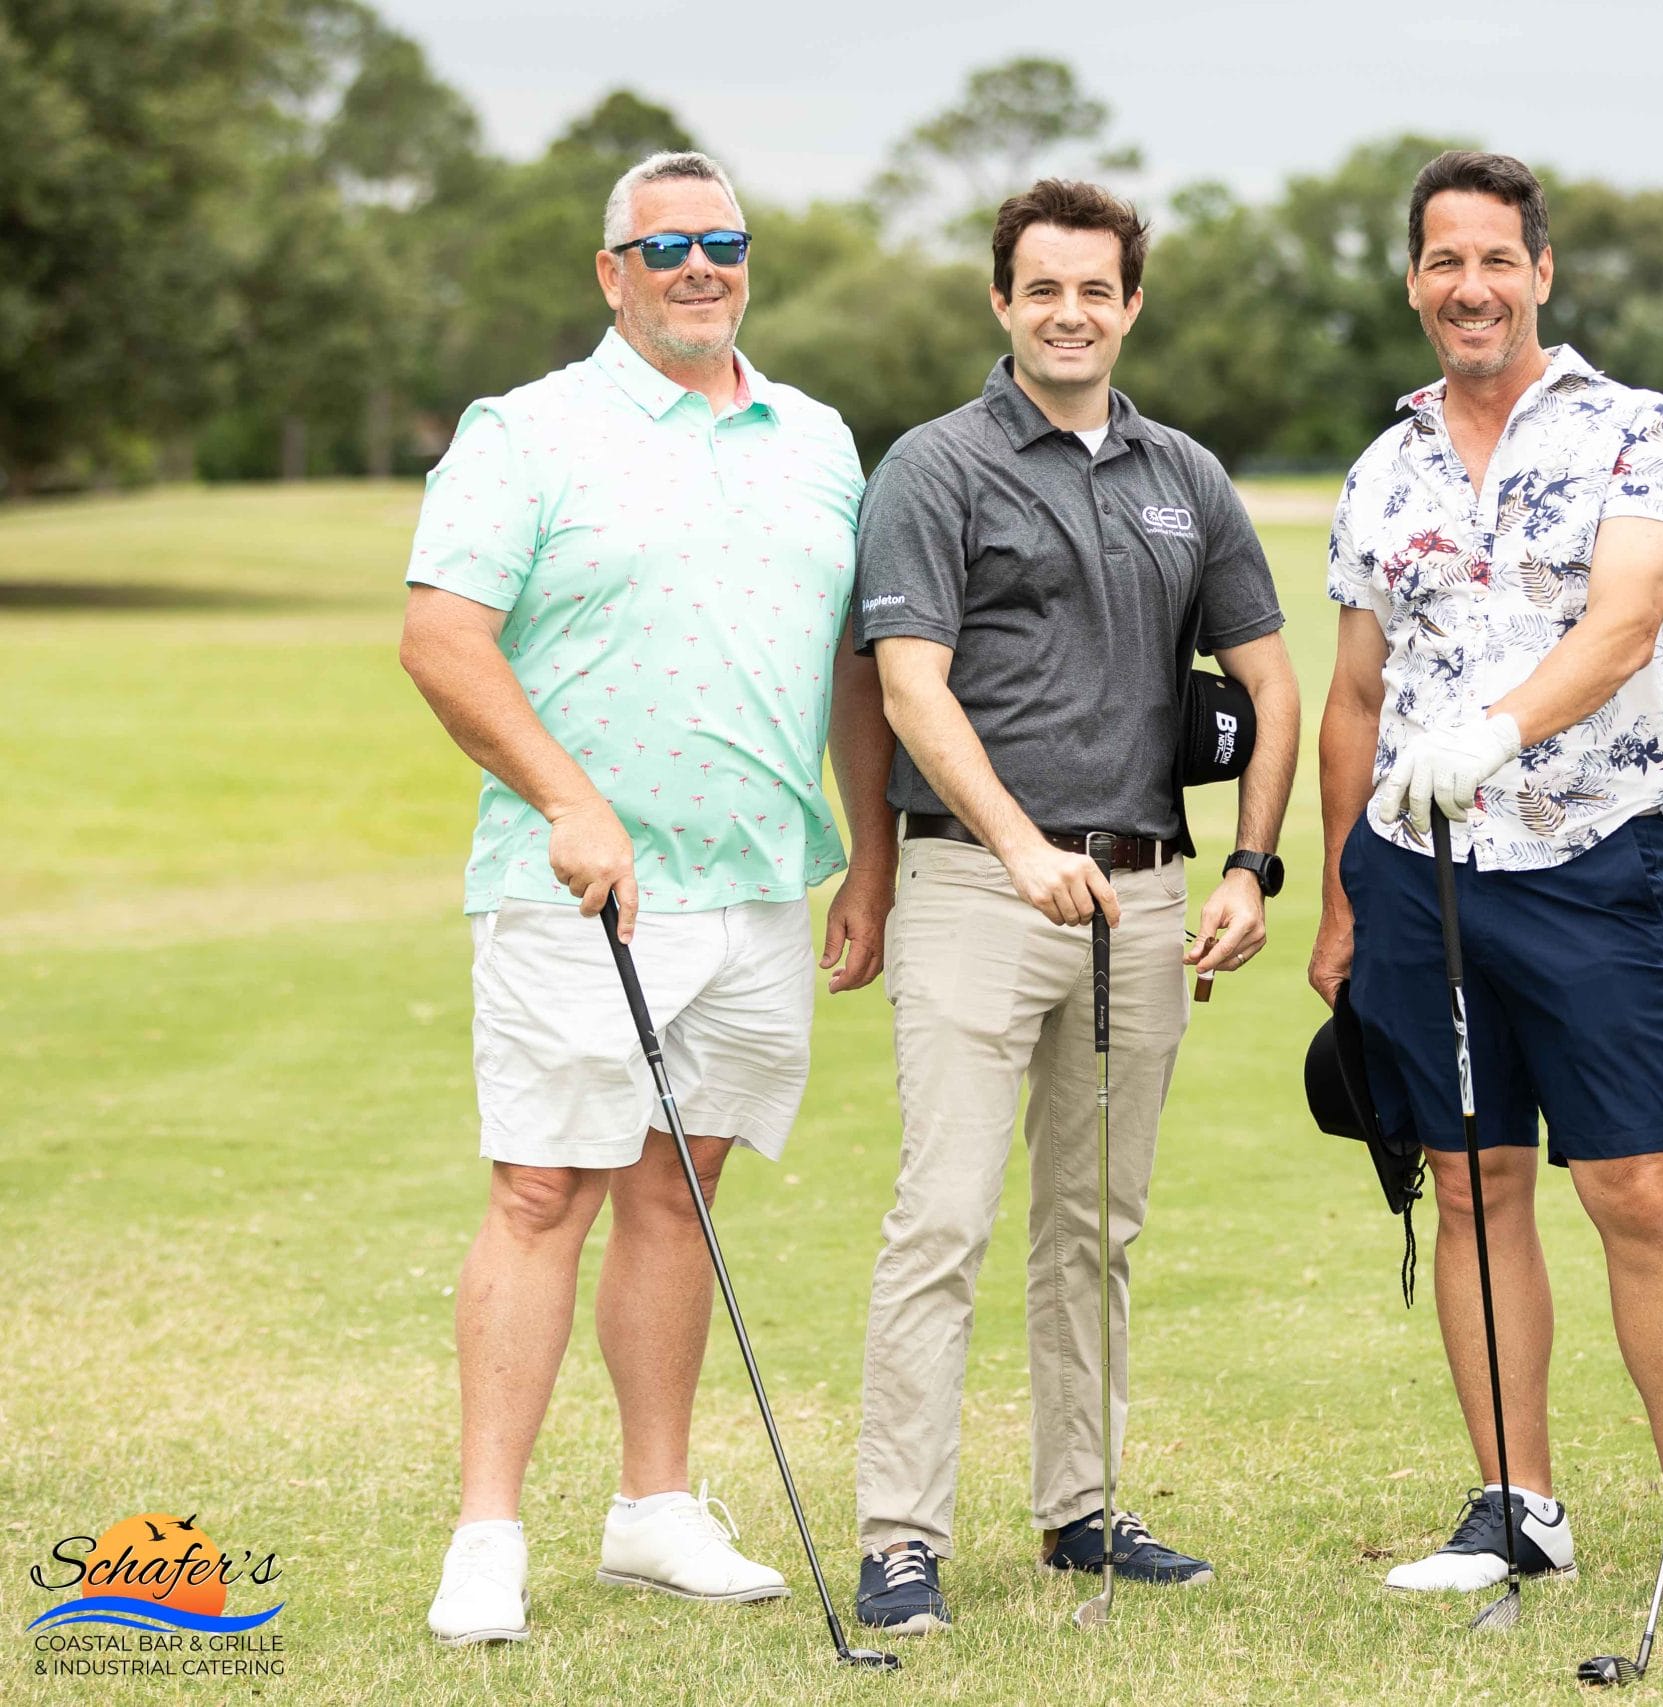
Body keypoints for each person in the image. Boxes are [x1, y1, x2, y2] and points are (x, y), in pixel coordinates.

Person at [401, 150, 887, 1646]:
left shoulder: (817, 439)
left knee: (685, 1186)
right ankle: (488, 1534)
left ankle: (653, 1510)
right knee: (542, 1188)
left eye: (720, 243)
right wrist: (569, 799)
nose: (698, 268)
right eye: (664, 246)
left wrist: (866, 852)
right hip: (583, 889)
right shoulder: (527, 431)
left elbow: (850, 665)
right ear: (612, 273)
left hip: (757, 884)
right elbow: (443, 637)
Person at [843, 178, 1299, 1635]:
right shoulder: (935, 467)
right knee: (943, 1220)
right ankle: (901, 1537)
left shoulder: (1185, 475)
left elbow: (1271, 682)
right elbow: (908, 685)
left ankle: (1083, 1509)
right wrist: (1019, 843)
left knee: (1096, 1226)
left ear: (1131, 306)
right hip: (978, 890)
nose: (1069, 313)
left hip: (1144, 901)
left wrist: (1252, 864)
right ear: (1002, 301)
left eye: (1095, 289)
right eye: (1042, 288)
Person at [1311, 150, 1663, 1617]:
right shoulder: (1384, 468)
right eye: (1444, 262)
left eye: (1496, 259)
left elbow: (1627, 621)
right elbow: (1354, 694)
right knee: (1468, 1182)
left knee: (1639, 1189)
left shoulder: (1637, 430)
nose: (1471, 287)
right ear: (1414, 283)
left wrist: (1490, 735)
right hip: (1416, 877)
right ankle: (1518, 1505)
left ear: (1541, 272)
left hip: (1584, 865)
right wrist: (1341, 896)